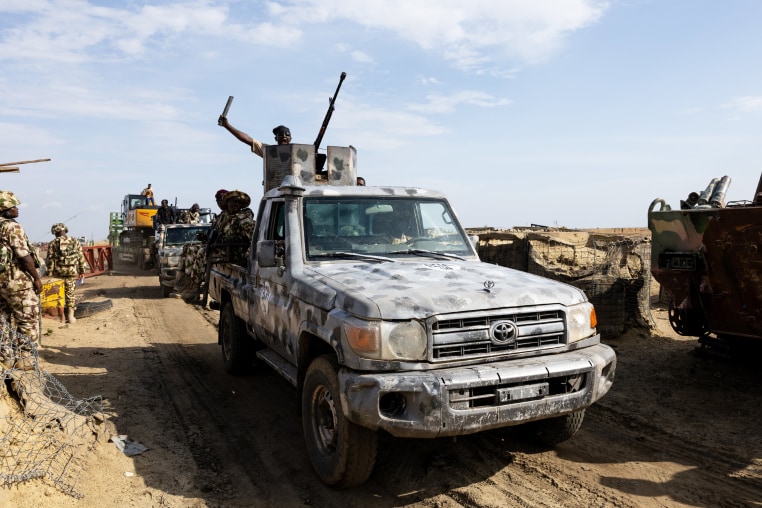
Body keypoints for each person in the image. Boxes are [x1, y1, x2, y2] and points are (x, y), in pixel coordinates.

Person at [0, 191, 42, 371]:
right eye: (13, 206)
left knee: (2, 320)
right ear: (4, 209)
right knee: (28, 317)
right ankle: (25, 359)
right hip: (15, 281)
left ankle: (5, 358)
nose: (17, 209)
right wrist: (36, 278)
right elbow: (23, 255)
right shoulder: (11, 227)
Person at [46, 223, 86, 324]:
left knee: (58, 295)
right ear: (65, 230)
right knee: (70, 294)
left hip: (57, 274)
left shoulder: (52, 243)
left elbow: (50, 261)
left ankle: (61, 317)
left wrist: (49, 274)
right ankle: (71, 317)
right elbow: (81, 258)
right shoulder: (75, 241)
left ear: (55, 232)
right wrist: (82, 271)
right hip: (71, 273)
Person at [218, 117, 292, 157]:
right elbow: (247, 139)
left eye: (287, 134)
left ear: (290, 139)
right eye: (281, 134)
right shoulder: (269, 151)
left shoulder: (295, 152)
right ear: (276, 138)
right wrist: (227, 125)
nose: (284, 136)